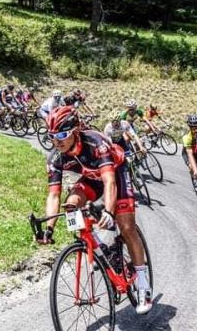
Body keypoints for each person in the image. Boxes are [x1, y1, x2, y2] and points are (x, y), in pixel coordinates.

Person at [39, 106, 152, 315]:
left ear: (75, 131)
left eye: (62, 135)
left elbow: (109, 181)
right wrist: (48, 229)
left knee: (126, 227)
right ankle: (92, 244)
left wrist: (109, 212)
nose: (57, 141)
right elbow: (54, 195)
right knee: (71, 204)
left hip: (116, 173)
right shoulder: (56, 157)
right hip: (92, 178)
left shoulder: (95, 143)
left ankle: (144, 284)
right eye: (52, 136)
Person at [182, 114, 197, 192]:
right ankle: (195, 181)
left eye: (196, 127)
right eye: (193, 128)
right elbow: (190, 155)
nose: (195, 130)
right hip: (187, 153)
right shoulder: (187, 137)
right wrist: (195, 170)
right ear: (190, 127)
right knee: (192, 167)